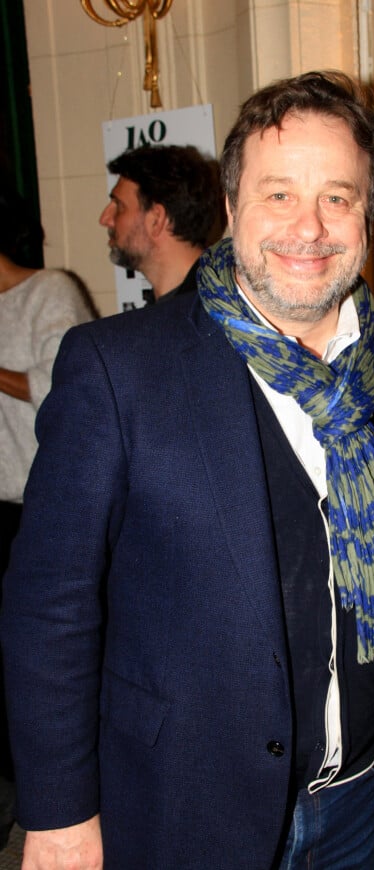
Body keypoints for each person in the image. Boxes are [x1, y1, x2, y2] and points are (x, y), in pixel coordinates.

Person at [1, 70, 374, 870]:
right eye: (278, 195)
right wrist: (57, 813)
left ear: (370, 214)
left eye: (338, 196)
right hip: (183, 806)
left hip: (361, 798)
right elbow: (51, 607)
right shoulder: (120, 371)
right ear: (231, 209)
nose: (310, 227)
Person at [0, 184, 97, 851]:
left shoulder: (50, 289)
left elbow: (62, 385)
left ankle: (49, 808)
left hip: (36, 510)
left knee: (38, 668)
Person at [99, 143, 221, 302]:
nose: (104, 219)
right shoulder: (167, 310)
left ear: (156, 219)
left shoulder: (218, 311)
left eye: (120, 206)